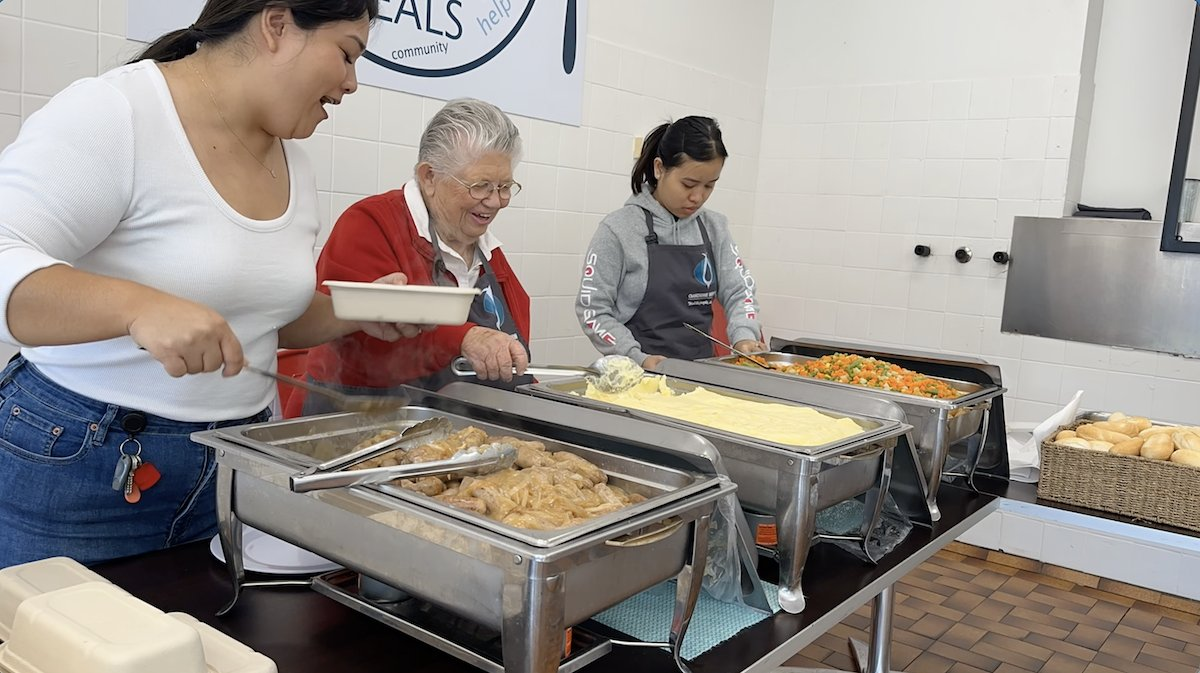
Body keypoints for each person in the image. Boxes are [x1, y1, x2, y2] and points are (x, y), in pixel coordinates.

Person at [0, 0, 427, 568]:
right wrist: (138, 308)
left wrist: (356, 308)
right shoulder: (118, 111)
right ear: (277, 24)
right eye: (347, 54)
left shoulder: (293, 160)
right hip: (84, 463)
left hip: (235, 468)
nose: (351, 84)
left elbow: (259, 316)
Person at [301, 98, 531, 414]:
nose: (495, 202)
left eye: (505, 187)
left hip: (458, 426)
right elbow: (360, 337)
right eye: (481, 186)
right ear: (429, 177)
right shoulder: (370, 224)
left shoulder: (487, 249)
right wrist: (466, 338)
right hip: (364, 421)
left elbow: (516, 333)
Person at [576, 116, 767, 371]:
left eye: (709, 185)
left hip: (702, 374)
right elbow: (593, 310)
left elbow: (739, 291)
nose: (698, 197)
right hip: (637, 377)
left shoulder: (714, 228)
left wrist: (744, 336)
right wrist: (637, 357)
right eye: (688, 184)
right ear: (659, 168)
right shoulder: (618, 230)